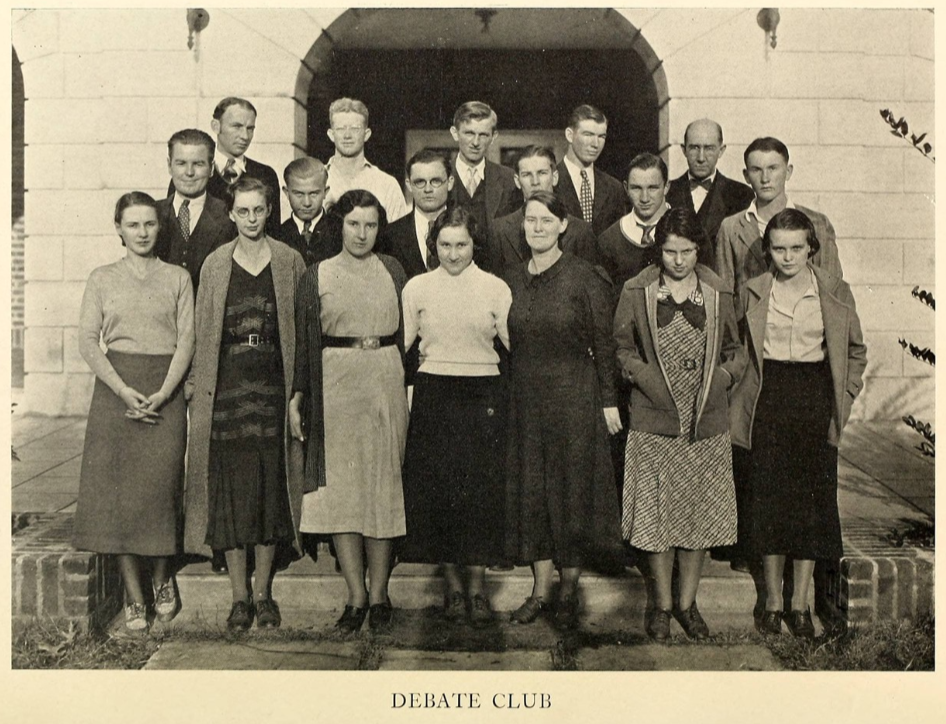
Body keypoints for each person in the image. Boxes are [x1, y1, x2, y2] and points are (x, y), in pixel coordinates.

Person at [729, 209, 866, 638]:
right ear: (767, 250)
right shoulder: (753, 290)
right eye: (779, 248)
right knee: (768, 498)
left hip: (814, 397)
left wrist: (842, 398)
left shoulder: (834, 291)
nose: (787, 257)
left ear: (811, 249)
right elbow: (737, 349)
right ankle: (772, 602)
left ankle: (801, 605)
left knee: (811, 503)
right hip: (769, 395)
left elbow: (856, 351)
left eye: (796, 248)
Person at [613, 206, 744, 642]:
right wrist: (646, 379)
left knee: (697, 513)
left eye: (687, 251)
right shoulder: (638, 290)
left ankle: (688, 605)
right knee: (657, 514)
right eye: (670, 252)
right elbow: (622, 348)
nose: (679, 260)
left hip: (704, 417)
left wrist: (724, 378)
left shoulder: (718, 291)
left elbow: (735, 350)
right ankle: (661, 606)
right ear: (659, 250)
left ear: (698, 250)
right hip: (655, 415)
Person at [183, 176, 307, 631]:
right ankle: (239, 599)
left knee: (270, 489)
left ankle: (264, 594)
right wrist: (196, 387)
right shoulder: (215, 265)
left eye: (259, 210)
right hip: (228, 387)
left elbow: (300, 330)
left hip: (273, 385)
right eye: (243, 211)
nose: (251, 219)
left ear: (269, 210)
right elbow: (200, 333)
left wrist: (298, 392)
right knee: (232, 491)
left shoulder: (289, 261)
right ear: (231, 213)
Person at [73, 191, 195, 633]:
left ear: (159, 228)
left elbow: (187, 340)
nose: (142, 232)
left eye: (149, 224)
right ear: (118, 228)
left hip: (165, 386)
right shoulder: (102, 278)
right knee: (120, 492)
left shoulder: (178, 277)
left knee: (160, 488)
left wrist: (164, 394)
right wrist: (124, 390)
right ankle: (132, 590)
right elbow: (88, 341)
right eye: (132, 224)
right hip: (115, 389)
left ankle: (162, 578)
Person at [290, 190, 409, 634]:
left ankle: (379, 595)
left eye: (371, 225)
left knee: (382, 486)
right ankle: (355, 596)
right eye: (354, 224)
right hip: (335, 384)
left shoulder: (393, 270)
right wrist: (298, 395)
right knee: (341, 491)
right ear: (339, 225)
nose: (362, 234)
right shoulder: (317, 274)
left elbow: (409, 336)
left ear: (380, 228)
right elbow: (305, 341)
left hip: (384, 379)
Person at [504, 190, 623, 630]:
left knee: (570, 490)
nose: (536, 228)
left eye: (544, 221)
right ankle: (539, 590)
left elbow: (605, 344)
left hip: (575, 395)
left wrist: (609, 401)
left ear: (562, 226)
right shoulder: (511, 278)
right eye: (529, 220)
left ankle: (569, 589)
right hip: (525, 399)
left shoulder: (583, 276)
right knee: (532, 490)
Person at [397, 206, 512, 626]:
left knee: (479, 493)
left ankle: (478, 589)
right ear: (434, 246)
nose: (453, 253)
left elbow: (512, 345)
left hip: (482, 394)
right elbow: (403, 349)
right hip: (434, 393)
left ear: (474, 244)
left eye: (461, 244)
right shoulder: (417, 288)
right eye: (444, 244)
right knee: (441, 492)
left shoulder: (496, 288)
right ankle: (452, 587)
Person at [715, 136, 843, 296]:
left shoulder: (817, 224)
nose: (765, 178)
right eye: (756, 170)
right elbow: (724, 296)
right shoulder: (731, 228)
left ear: (788, 172)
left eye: (773, 168)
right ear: (746, 176)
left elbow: (833, 289)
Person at [168, 97, 282, 238]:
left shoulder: (265, 175)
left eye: (250, 128)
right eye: (237, 126)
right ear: (216, 126)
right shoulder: (191, 176)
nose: (245, 136)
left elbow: (274, 235)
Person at [599, 153, 706, 291]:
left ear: (666, 187)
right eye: (636, 188)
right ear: (626, 188)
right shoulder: (608, 240)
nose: (644, 198)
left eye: (652, 188)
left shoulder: (692, 231)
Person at [490, 145, 600, 276]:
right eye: (526, 175)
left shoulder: (580, 231)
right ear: (517, 181)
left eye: (542, 173)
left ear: (554, 178)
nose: (535, 182)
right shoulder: (500, 230)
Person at [155, 129, 236, 293]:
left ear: (211, 168)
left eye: (198, 164)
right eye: (181, 163)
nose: (189, 172)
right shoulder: (152, 213)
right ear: (169, 166)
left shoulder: (230, 216)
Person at [448, 101, 522, 270]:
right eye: (469, 133)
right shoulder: (439, 177)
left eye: (483, 135)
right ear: (455, 133)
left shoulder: (509, 179)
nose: (475, 142)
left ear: (493, 137)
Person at [666, 119, 754, 254]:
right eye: (694, 148)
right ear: (684, 150)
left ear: (721, 150)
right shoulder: (667, 192)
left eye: (709, 148)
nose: (701, 157)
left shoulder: (741, 194)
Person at [323, 98, 410, 222]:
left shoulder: (387, 185)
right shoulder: (316, 182)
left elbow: (399, 237)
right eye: (341, 129)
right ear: (331, 135)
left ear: (367, 134)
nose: (347, 136)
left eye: (355, 129)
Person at [554, 104, 629, 237]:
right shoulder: (549, 182)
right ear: (570, 135)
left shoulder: (614, 188)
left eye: (601, 136)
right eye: (588, 134)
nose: (595, 144)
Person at [383, 149, 455, 279]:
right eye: (420, 182)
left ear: (449, 183)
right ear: (409, 185)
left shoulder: (468, 230)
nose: (428, 189)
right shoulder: (389, 235)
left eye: (436, 181)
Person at [278, 156, 341, 267]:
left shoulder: (340, 231)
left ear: (325, 192)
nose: (307, 203)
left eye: (314, 194)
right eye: (299, 194)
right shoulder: (277, 235)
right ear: (286, 193)